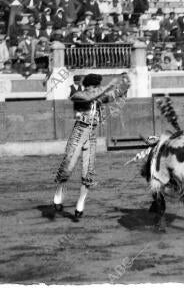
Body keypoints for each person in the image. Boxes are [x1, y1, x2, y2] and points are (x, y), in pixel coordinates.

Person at [52, 73, 131, 220]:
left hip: (91, 135)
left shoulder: (99, 98)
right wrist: (108, 86)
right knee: (68, 166)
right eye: (96, 86)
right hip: (79, 132)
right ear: (89, 86)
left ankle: (80, 205)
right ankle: (58, 196)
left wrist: (125, 84)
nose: (98, 89)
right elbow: (89, 97)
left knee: (88, 172)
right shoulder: (78, 95)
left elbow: (116, 93)